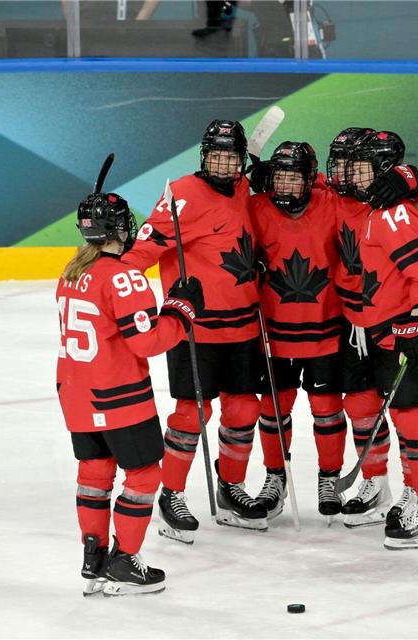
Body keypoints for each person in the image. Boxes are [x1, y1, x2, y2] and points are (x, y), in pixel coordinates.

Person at [123, 119, 269, 541]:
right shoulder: (182, 195)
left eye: (232, 158)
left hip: (243, 325)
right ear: (203, 157)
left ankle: (231, 489)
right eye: (216, 156)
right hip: (196, 329)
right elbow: (143, 252)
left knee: (244, 410)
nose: (224, 165)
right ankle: (172, 493)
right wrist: (114, 289)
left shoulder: (244, 188)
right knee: (193, 413)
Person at [57, 190, 203, 596]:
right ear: (119, 228)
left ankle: (94, 555)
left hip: (76, 394)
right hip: (118, 395)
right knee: (142, 474)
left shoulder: (71, 271)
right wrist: (181, 312)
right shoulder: (123, 276)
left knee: (94, 473)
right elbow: (147, 342)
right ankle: (125, 561)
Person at [324, 127, 418, 529]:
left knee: (408, 411)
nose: (345, 176)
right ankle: (377, 486)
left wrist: (410, 178)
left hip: (403, 321)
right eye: (342, 166)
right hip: (363, 319)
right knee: (363, 405)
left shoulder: (393, 205)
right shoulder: (339, 195)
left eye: (355, 168)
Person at [248, 141, 348, 523]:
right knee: (273, 409)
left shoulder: (331, 203)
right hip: (273, 331)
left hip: (326, 328)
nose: (287, 185)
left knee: (326, 408)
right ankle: (275, 477)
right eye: (280, 176)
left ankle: (330, 477)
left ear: (311, 179)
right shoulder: (256, 207)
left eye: (296, 177)